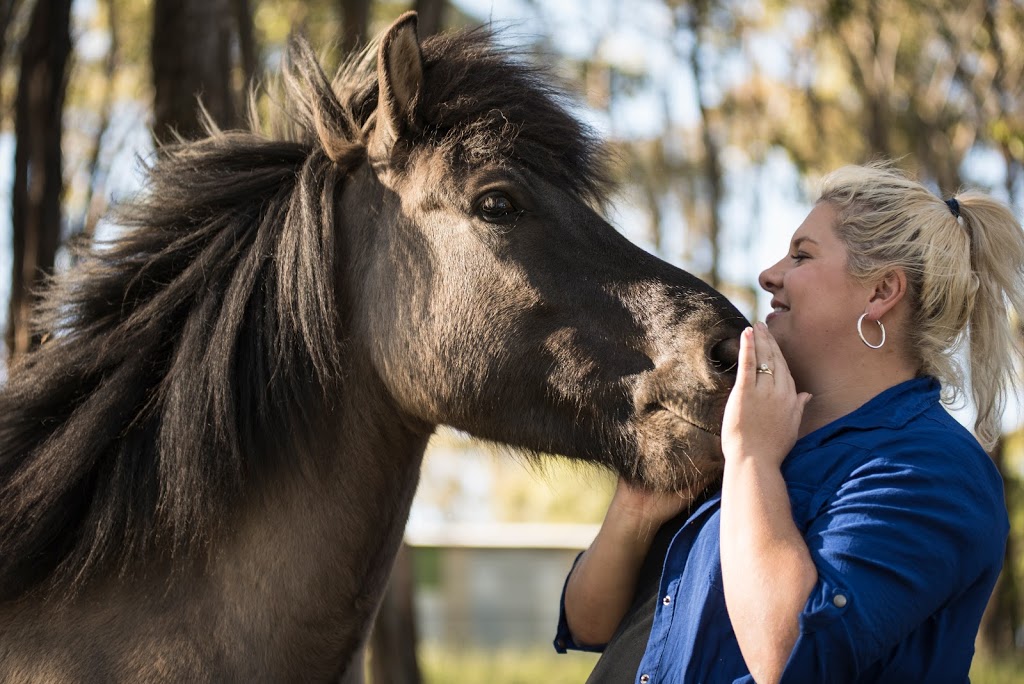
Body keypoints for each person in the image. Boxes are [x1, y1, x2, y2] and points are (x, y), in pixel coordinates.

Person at [554, 162, 1023, 683]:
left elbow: (791, 655)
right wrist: (637, 509)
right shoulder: (746, 428)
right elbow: (589, 625)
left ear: (881, 292)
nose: (768, 275)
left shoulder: (932, 471)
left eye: (802, 254)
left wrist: (753, 460)